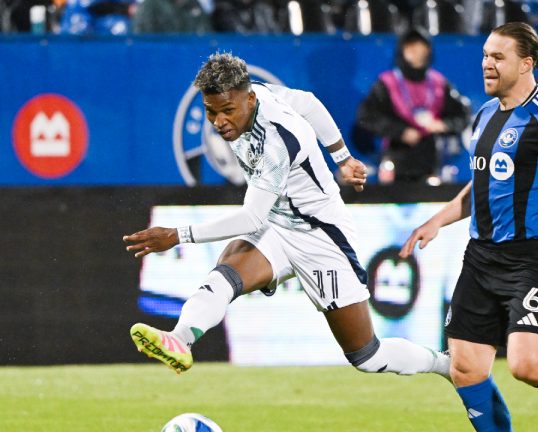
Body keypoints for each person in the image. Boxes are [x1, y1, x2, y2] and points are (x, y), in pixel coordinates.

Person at [123, 52, 451, 382]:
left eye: (227, 110)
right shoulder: (260, 93)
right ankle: (180, 340)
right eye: (211, 111)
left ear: (248, 99)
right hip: (278, 225)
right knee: (224, 274)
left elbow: (251, 218)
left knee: (367, 355)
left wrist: (178, 235)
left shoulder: (277, 142)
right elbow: (308, 103)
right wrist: (342, 156)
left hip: (321, 238)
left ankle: (445, 364)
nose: (219, 121)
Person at [399, 22, 538, 431]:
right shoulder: (484, 116)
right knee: (465, 368)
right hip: (481, 258)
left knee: (529, 367)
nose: (487, 64)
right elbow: (483, 183)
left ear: (527, 63)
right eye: (485, 55)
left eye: (498, 57)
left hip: (530, 260)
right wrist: (438, 220)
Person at [355, 27, 470, 183]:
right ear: (402, 50)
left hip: (432, 162)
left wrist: (444, 125)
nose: (416, 53)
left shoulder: (439, 83)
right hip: (395, 159)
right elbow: (366, 117)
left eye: (421, 48)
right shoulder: (386, 84)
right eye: (411, 48)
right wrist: (400, 131)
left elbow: (463, 115)